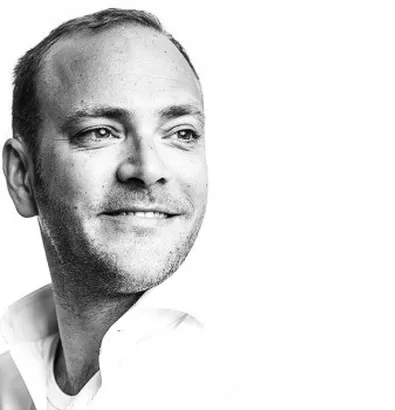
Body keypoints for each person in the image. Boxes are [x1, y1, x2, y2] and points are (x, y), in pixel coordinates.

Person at [0, 8, 228, 409]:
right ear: (22, 177)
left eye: (181, 133)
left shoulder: (277, 383)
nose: (149, 169)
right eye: (100, 132)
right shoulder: (7, 384)